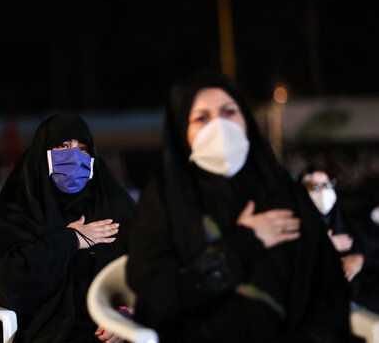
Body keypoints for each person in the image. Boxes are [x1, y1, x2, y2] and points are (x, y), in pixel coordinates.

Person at [126, 72, 350, 343]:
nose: (219, 126)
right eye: (202, 117)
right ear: (180, 130)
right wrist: (243, 244)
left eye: (229, 111)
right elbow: (159, 298)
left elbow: (329, 293)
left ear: (246, 120)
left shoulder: (283, 192)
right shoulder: (164, 203)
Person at [0, 113, 136, 343]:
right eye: (63, 145)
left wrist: (128, 312)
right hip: (51, 331)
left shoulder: (111, 205)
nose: (74, 155)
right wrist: (69, 239)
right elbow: (8, 278)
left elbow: (151, 266)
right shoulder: (19, 211)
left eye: (83, 149)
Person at [301, 165, 379, 314]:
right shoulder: (296, 229)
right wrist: (325, 246)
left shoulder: (349, 224)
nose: (323, 192)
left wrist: (361, 260)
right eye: (315, 187)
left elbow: (373, 251)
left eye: (328, 185)